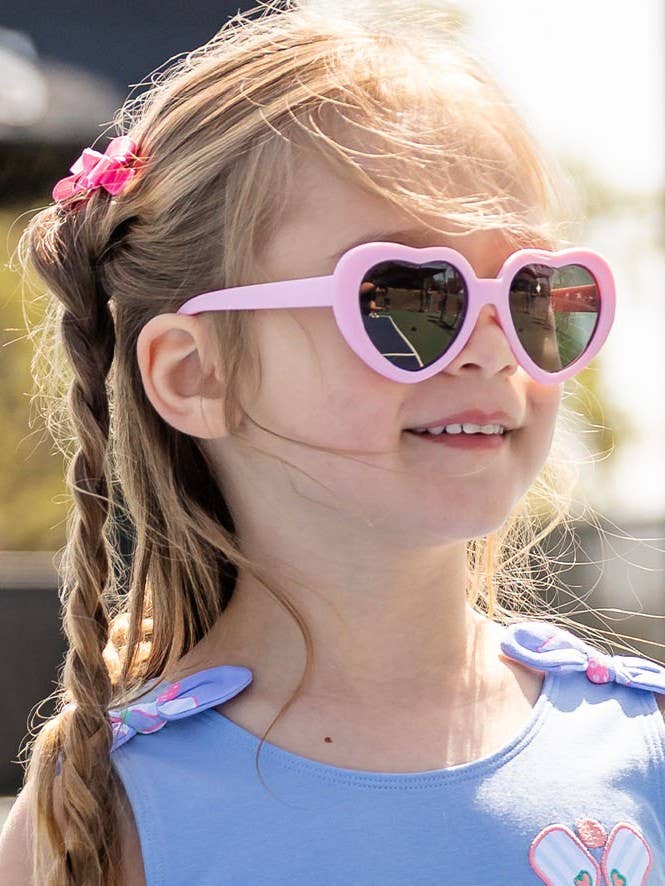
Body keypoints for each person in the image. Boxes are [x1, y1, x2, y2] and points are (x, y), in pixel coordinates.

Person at [2, 2, 664, 884]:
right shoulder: (105, 808)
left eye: (532, 292)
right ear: (196, 374)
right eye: (407, 295)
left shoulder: (640, 751)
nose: (490, 345)